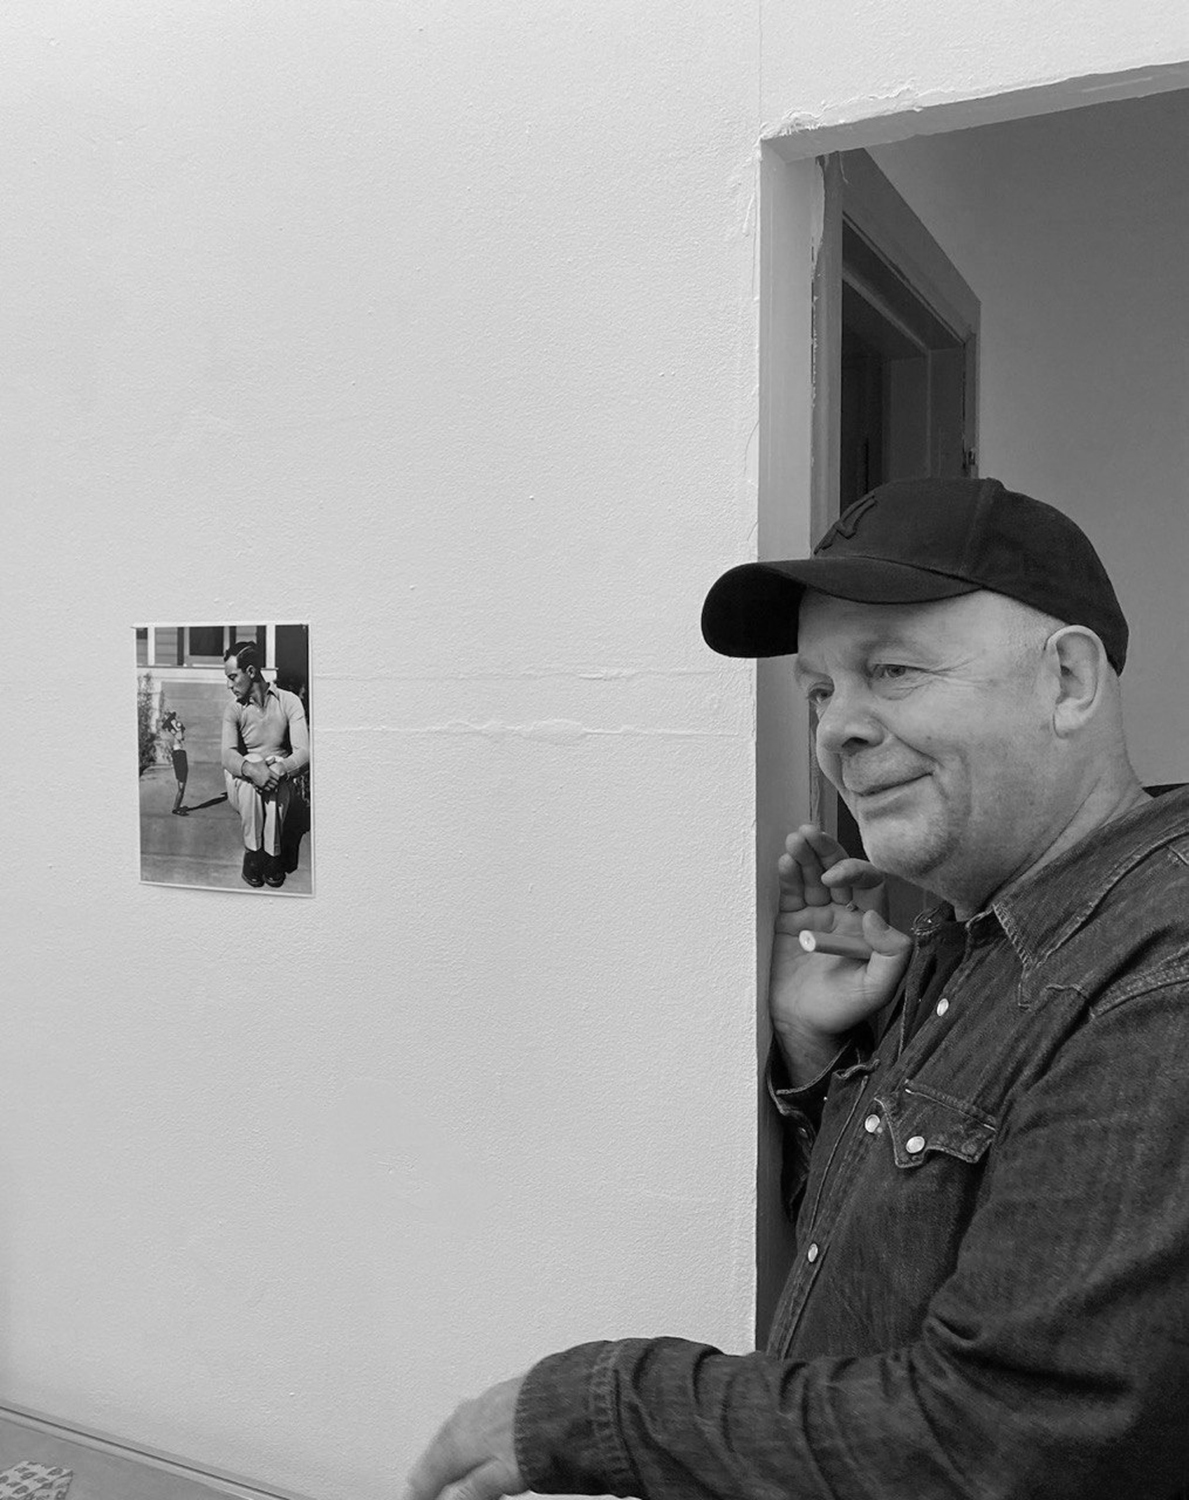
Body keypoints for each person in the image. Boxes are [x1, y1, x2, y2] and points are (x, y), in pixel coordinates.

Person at [403, 477, 1189, 1500]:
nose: (836, 731)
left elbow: (1003, 1441)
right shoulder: (969, 928)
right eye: (819, 691)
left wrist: (597, 1408)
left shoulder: (1156, 980)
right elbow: (906, 1259)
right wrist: (818, 1058)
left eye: (892, 670)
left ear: (1069, 681)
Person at [221, 640, 310, 889]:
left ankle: (271, 855)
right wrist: (252, 769)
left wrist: (279, 770)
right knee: (251, 761)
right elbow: (227, 755)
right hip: (242, 788)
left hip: (279, 785)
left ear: (250, 671)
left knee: (276, 766)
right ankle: (254, 852)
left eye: (232, 677)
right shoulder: (233, 710)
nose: (229, 685)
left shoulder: (288, 701)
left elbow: (305, 752)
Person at [160, 708, 188, 815]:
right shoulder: (173, 729)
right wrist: (179, 728)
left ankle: (177, 806)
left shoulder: (170, 731)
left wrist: (178, 729)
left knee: (181, 783)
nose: (176, 720)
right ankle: (176, 808)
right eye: (173, 718)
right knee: (182, 785)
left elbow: (180, 737)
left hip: (177, 754)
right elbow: (180, 737)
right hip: (179, 754)